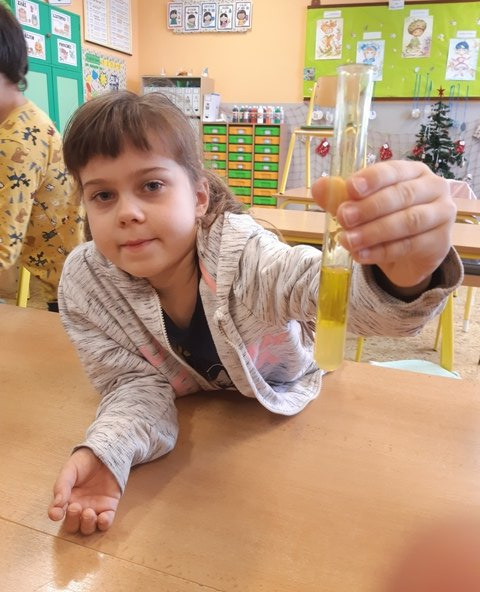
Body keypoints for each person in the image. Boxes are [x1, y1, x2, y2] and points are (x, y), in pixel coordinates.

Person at [47, 91, 462, 535]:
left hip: (290, 422)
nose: (127, 213)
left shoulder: (246, 256)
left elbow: (343, 302)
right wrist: (109, 453)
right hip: (208, 449)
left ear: (199, 197)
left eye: (151, 186)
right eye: (103, 195)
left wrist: (405, 278)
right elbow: (132, 385)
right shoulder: (88, 284)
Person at [0, 0, 84, 310]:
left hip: (49, 291)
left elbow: (3, 253)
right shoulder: (21, 117)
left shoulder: (16, 140)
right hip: (56, 277)